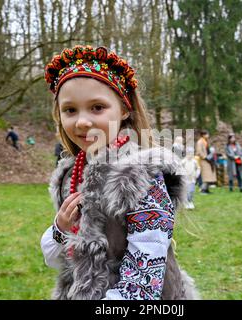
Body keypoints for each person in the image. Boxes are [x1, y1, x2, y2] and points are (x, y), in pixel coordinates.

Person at [40, 45, 198, 300]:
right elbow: (60, 260)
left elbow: (144, 281)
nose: (81, 121)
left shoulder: (140, 177)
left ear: (124, 110)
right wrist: (59, 228)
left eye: (97, 107)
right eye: (70, 110)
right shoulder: (71, 174)